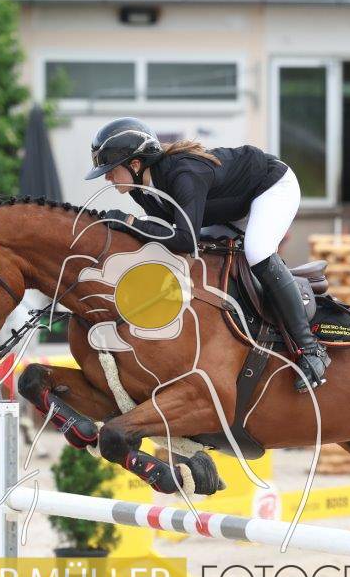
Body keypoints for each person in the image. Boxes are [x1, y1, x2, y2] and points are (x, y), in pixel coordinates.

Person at [85, 117, 327, 391]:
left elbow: (185, 239)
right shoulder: (140, 190)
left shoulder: (183, 174)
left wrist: (131, 223)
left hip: (271, 188)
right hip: (230, 209)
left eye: (111, 170)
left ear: (136, 164)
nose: (107, 177)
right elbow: (163, 238)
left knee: (257, 252)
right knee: (204, 261)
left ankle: (311, 350)